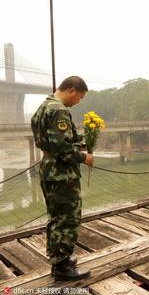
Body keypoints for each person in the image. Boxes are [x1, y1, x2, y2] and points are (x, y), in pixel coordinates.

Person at [31, 76, 93, 280]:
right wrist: (84, 157)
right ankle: (62, 268)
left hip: (49, 170)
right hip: (61, 174)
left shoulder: (43, 107)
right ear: (72, 90)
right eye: (79, 97)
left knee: (56, 217)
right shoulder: (58, 110)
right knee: (68, 218)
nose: (78, 102)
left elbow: (50, 141)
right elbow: (62, 149)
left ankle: (59, 258)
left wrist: (80, 140)